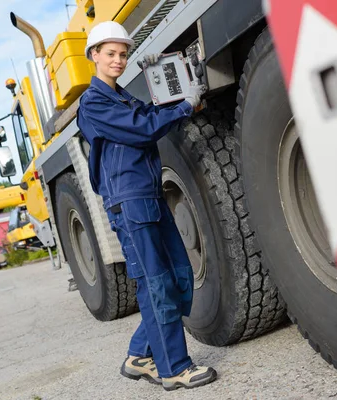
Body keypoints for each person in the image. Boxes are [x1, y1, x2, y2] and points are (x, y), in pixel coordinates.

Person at [76, 21, 216, 391]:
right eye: (111, 53)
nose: (118, 60)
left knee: (179, 276)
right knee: (157, 284)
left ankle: (140, 354)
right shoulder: (93, 104)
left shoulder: (121, 97)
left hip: (149, 195)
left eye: (123, 54)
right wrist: (183, 106)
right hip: (130, 202)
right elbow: (142, 127)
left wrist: (163, 77)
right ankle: (173, 368)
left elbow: (155, 112)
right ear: (94, 56)